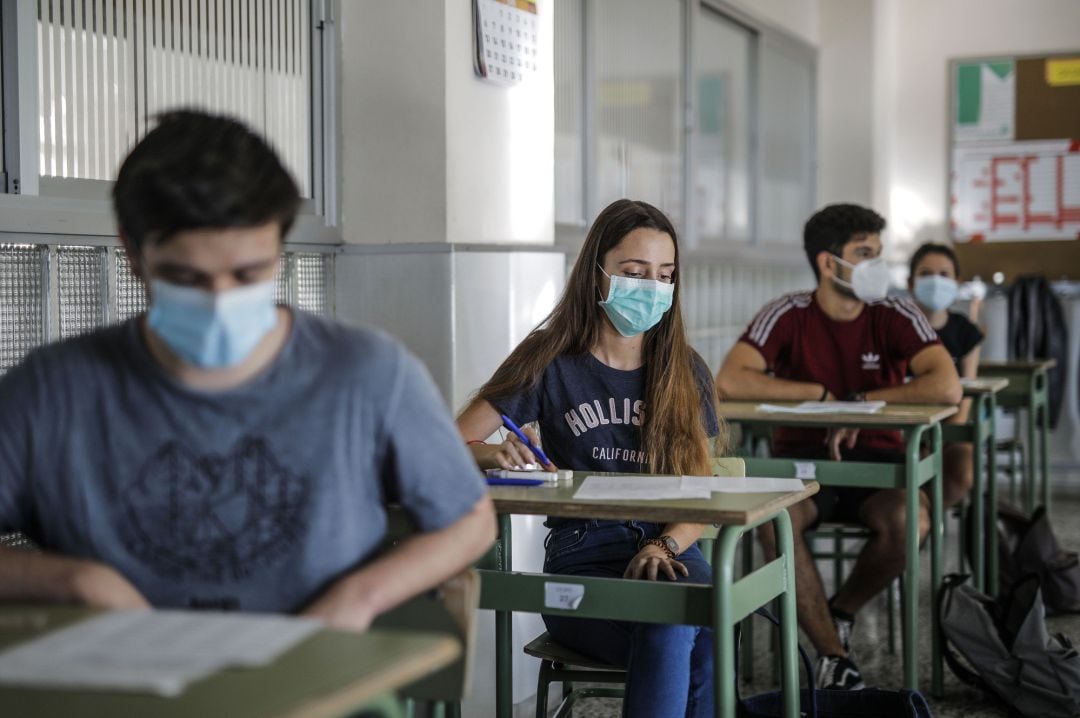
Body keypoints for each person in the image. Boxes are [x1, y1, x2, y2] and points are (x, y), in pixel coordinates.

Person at [0, 110, 496, 630]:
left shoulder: (367, 375)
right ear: (131, 253)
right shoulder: (53, 390)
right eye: (184, 277)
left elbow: (467, 518)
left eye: (248, 273)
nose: (219, 301)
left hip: (322, 691)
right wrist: (75, 582)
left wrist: (359, 597)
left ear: (279, 250)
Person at [457, 199, 723, 718]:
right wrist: (494, 453)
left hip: (672, 550)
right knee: (686, 630)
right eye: (634, 272)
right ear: (597, 274)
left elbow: (701, 490)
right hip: (581, 554)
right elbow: (447, 444)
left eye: (664, 275)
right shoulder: (548, 357)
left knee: (689, 617)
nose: (651, 287)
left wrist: (662, 545)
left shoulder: (685, 369)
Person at [715, 203, 961, 690]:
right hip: (805, 467)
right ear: (829, 263)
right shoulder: (788, 314)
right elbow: (729, 379)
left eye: (878, 252)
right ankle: (832, 656)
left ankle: (838, 611)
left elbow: (946, 385)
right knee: (775, 518)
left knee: (910, 520)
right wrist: (821, 396)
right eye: (864, 253)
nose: (877, 265)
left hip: (883, 460)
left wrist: (859, 403)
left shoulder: (894, 313)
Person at [908, 242, 984, 508]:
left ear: (956, 282)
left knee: (962, 473)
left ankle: (927, 519)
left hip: (950, 430)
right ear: (911, 282)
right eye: (926, 273)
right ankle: (915, 525)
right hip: (903, 429)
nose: (935, 281)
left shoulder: (966, 332)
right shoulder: (897, 327)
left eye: (944, 274)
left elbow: (966, 397)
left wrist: (937, 438)